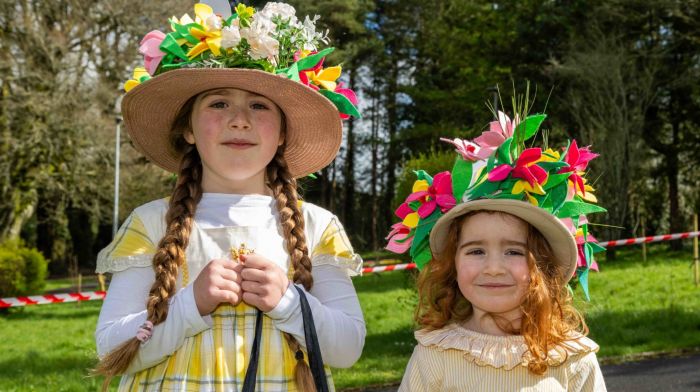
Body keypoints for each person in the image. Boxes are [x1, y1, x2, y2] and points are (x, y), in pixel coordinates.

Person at [94, 2, 364, 391]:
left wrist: (287, 302)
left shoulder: (317, 226)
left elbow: (347, 347)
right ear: (188, 128)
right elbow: (111, 349)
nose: (240, 120)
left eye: (259, 105)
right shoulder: (151, 223)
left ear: (283, 133)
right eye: (219, 103)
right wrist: (190, 304)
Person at [386, 110, 608, 391]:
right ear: (452, 263)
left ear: (542, 264)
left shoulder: (571, 357)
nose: (493, 267)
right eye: (475, 251)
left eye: (514, 252)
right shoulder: (435, 353)